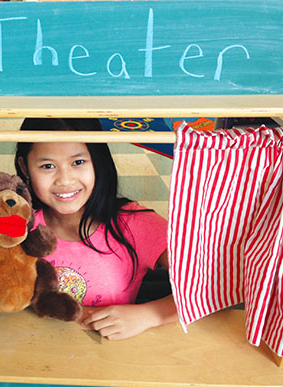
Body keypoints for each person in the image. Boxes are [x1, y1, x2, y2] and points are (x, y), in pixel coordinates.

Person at [14, 118, 177, 340]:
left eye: (78, 162)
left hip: (109, 363)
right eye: (48, 166)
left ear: (97, 161)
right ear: (25, 167)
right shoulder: (17, 226)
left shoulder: (135, 224)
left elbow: (210, 284)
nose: (65, 179)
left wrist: (150, 314)